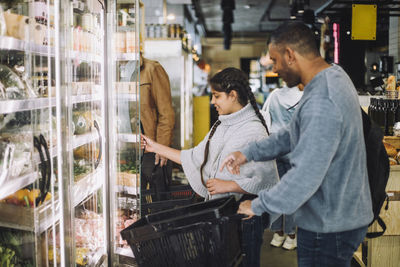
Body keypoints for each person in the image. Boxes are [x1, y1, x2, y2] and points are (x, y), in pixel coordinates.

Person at [220, 22, 373, 267]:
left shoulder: (323, 99)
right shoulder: (333, 76)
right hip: (340, 215)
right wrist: (247, 153)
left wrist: (257, 205)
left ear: (290, 55)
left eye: (275, 60)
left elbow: (305, 176)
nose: (275, 69)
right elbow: (292, 134)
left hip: (329, 224)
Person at [141, 67, 279, 267]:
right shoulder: (220, 126)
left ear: (233, 95)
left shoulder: (255, 130)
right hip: (219, 215)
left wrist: (229, 185)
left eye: (217, 96)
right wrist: (155, 147)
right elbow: (193, 157)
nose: (212, 101)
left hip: (244, 219)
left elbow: (267, 181)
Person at [262, 83, 303, 250]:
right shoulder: (305, 96)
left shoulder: (275, 95)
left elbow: (265, 117)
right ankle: (291, 236)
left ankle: (277, 234)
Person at [135, 54, 175, 202]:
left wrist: (162, 148)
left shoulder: (152, 69)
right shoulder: (111, 70)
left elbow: (167, 114)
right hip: (126, 151)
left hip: (151, 152)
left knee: (156, 204)